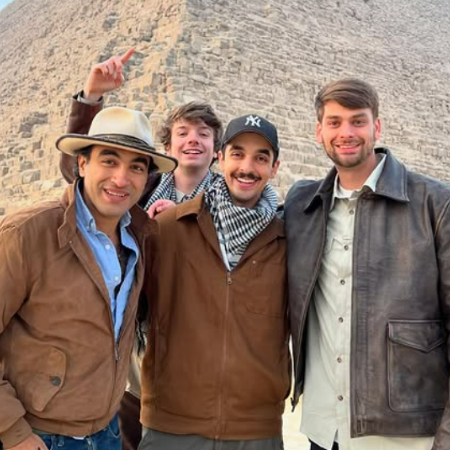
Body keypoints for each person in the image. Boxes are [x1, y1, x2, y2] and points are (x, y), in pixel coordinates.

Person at [58, 50, 224, 450]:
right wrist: (91, 98)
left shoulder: (234, 203)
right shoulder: (136, 191)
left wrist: (185, 222)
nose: (193, 140)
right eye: (183, 132)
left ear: (217, 149)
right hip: (137, 349)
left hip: (201, 350)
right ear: (166, 147)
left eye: (203, 133)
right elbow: (78, 172)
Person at [284, 78, 450, 450]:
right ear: (319, 131)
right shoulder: (302, 206)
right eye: (335, 122)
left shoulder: (436, 205)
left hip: (404, 436)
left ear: (377, 126)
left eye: (358, 121)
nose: (346, 132)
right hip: (324, 430)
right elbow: (243, 219)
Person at [0, 106, 176, 450]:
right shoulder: (28, 234)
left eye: (136, 167)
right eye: (109, 161)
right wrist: (13, 432)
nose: (121, 179)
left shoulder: (140, 238)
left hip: (106, 432)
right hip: (39, 436)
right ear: (82, 164)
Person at [139, 115, 290, 450]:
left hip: (256, 429)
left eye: (261, 158)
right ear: (220, 158)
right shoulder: (167, 228)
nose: (247, 167)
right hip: (172, 425)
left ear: (275, 168)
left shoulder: (288, 242)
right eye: (237, 154)